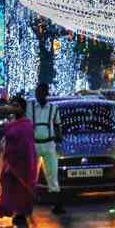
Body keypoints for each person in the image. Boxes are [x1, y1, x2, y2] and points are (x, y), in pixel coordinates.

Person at [0, 96, 38, 228]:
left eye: (16, 106)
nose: (14, 108)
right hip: (11, 161)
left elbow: (27, 146)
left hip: (23, 162)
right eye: (12, 105)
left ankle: (21, 214)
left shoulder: (27, 125)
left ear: (22, 108)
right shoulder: (12, 123)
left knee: (22, 189)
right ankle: (13, 212)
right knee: (9, 187)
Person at [28, 82, 65, 215]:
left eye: (42, 93)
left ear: (46, 94)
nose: (39, 95)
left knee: (52, 174)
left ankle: (57, 204)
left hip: (49, 144)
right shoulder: (30, 107)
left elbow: (58, 125)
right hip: (35, 144)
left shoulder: (53, 109)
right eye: (38, 93)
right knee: (32, 175)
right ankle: (27, 206)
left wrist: (59, 138)